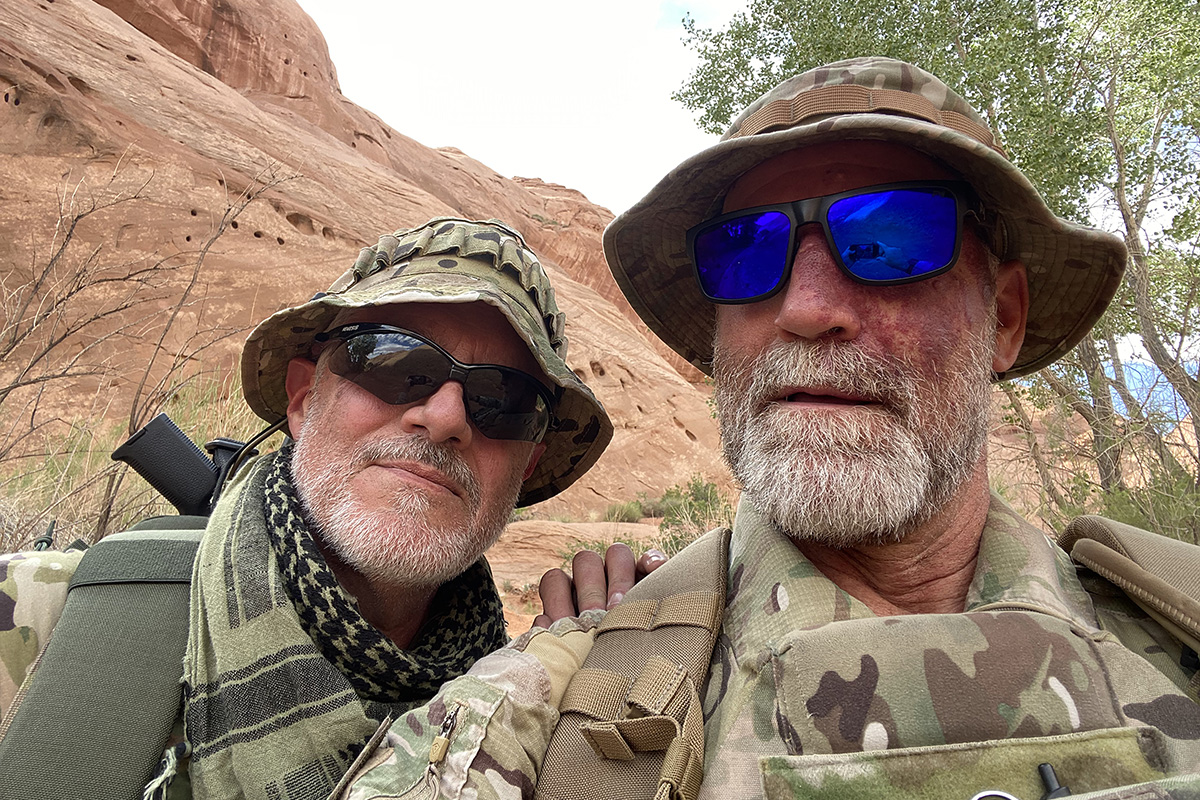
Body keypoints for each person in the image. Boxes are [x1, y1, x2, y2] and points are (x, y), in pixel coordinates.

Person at [340, 58, 1200, 800]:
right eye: (746, 250)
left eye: (890, 236)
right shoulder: (533, 718)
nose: (808, 307)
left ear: (1003, 317)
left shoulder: (1175, 621)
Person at [0, 217, 621, 800]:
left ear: (528, 464)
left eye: (504, 399)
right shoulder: (40, 618)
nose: (445, 417)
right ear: (302, 401)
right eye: (395, 361)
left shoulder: (548, 708)